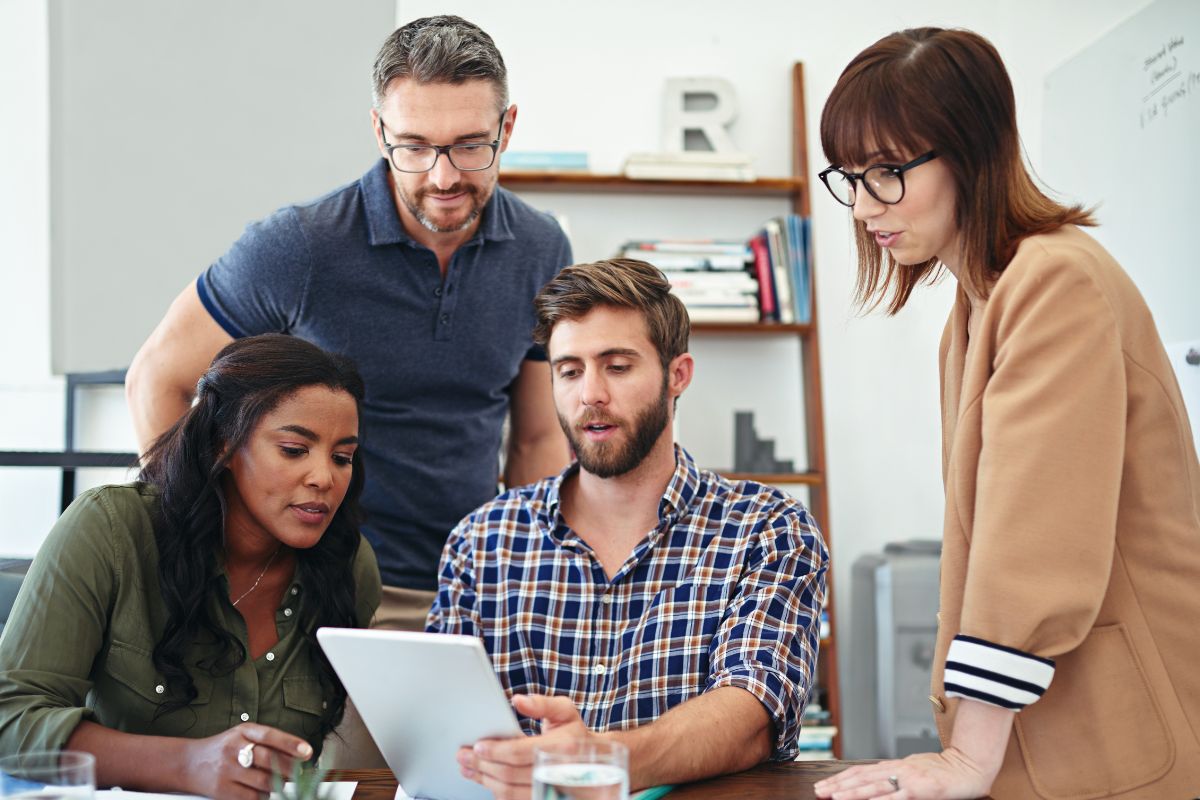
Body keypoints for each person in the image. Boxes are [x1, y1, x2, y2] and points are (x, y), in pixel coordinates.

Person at [811, 28, 1200, 800]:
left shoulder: (1054, 282)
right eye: (849, 178)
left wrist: (967, 757)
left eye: (888, 174)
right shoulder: (982, 299)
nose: (861, 207)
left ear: (971, 151)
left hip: (1120, 734)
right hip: (1063, 725)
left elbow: (1032, 544)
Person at [124, 15, 571, 633]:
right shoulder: (300, 247)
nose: (443, 177)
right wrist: (206, 542)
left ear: (508, 127)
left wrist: (527, 569)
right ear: (379, 132)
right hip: (322, 587)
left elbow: (535, 439)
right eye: (414, 146)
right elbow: (157, 377)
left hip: (477, 585)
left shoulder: (541, 248)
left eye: (470, 145)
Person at [429, 259, 829, 799]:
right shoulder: (482, 541)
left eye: (617, 366)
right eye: (569, 371)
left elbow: (751, 717)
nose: (590, 394)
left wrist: (601, 761)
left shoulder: (768, 530)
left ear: (677, 375)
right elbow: (441, 727)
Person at [0, 334, 381, 798]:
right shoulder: (113, 531)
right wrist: (188, 764)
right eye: (294, 450)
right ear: (223, 444)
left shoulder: (348, 565)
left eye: (342, 457)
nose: (324, 477)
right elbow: (12, 718)